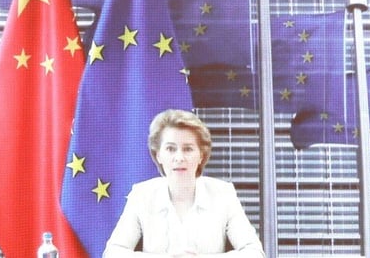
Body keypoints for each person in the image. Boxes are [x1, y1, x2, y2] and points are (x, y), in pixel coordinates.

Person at [103, 109, 265, 257]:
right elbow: (113, 253)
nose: (179, 157)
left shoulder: (223, 194)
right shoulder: (142, 195)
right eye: (170, 149)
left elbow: (254, 253)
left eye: (188, 149)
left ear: (201, 155)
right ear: (158, 155)